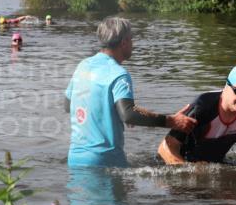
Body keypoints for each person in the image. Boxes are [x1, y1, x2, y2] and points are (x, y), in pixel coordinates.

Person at [65, 17, 197, 167]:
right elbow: (128, 114)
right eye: (131, 39)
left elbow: (68, 104)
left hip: (75, 159)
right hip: (105, 160)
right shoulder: (118, 73)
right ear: (124, 42)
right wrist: (171, 121)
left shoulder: (83, 66)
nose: (133, 44)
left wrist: (116, 113)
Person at [158, 63, 236, 164]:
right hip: (179, 164)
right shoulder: (203, 106)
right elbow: (166, 147)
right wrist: (187, 172)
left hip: (216, 165)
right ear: (226, 86)